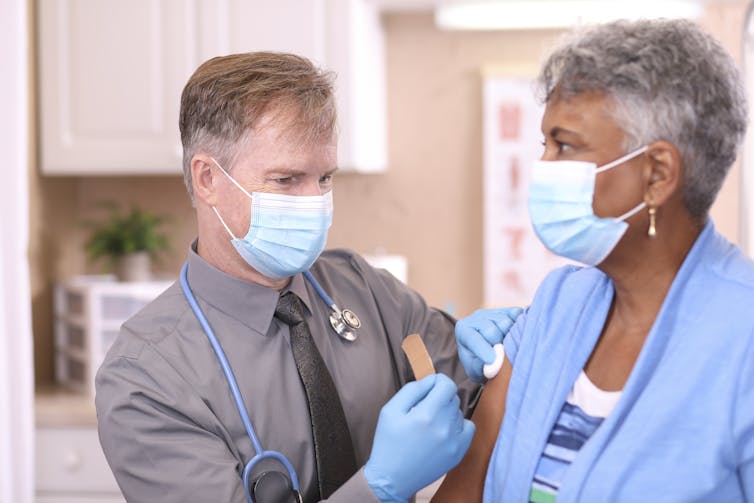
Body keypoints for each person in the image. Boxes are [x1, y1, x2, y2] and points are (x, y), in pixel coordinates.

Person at [95, 52, 520, 503]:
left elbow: (492, 400)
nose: (314, 201)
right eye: (286, 180)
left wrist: (498, 356)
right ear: (207, 179)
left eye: (324, 178)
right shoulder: (144, 378)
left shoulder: (364, 289)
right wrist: (377, 488)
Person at [434, 19, 754, 502]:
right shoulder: (558, 305)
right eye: (543, 144)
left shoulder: (742, 337)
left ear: (657, 174)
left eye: (564, 145)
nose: (542, 169)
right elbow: (466, 488)